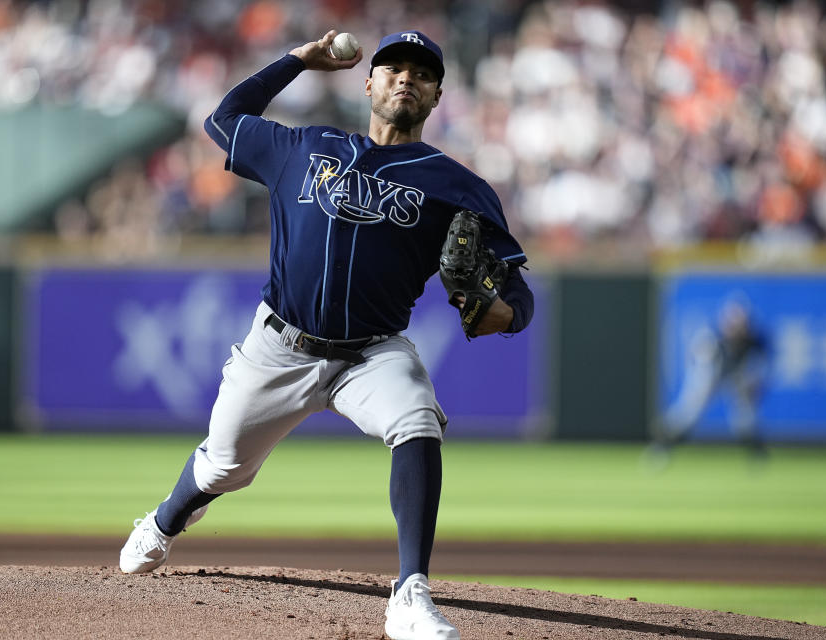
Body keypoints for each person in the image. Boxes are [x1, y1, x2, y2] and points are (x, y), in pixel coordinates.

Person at [118, 29, 533, 640]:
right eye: (393, 68)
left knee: (417, 418)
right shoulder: (306, 147)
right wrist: (297, 60)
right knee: (223, 466)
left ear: (437, 96)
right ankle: (162, 521)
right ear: (368, 82)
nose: (405, 80)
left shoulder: (457, 186)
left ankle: (410, 593)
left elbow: (518, 296)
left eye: (422, 74)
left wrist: (501, 313)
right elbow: (223, 119)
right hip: (279, 346)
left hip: (372, 352)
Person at [654, 296, 768, 459]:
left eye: (740, 324)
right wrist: (702, 382)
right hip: (711, 374)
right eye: (733, 323)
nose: (736, 328)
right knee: (689, 413)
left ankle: (757, 455)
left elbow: (759, 369)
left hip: (737, 377)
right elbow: (697, 361)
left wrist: (752, 384)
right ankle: (662, 446)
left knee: (745, 417)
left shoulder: (755, 341)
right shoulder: (712, 337)